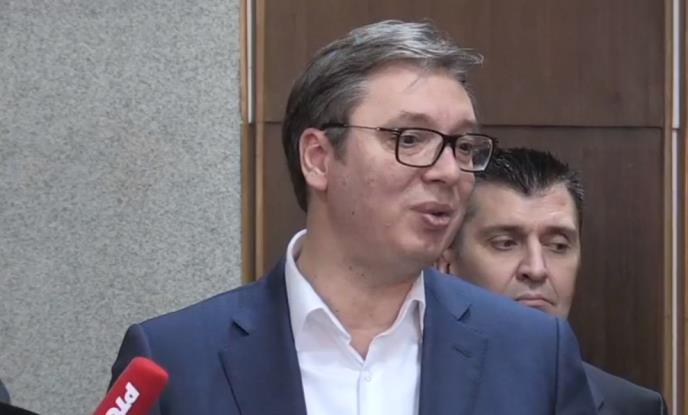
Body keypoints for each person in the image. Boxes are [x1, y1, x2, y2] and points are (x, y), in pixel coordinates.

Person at [109, 20, 596, 414]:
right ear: (319, 159)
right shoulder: (176, 359)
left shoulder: (534, 353)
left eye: (463, 146)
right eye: (411, 139)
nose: (450, 171)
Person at [437, 147, 668, 414]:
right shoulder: (409, 388)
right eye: (505, 243)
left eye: (558, 246)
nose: (536, 269)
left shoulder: (635, 408)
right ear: (446, 262)